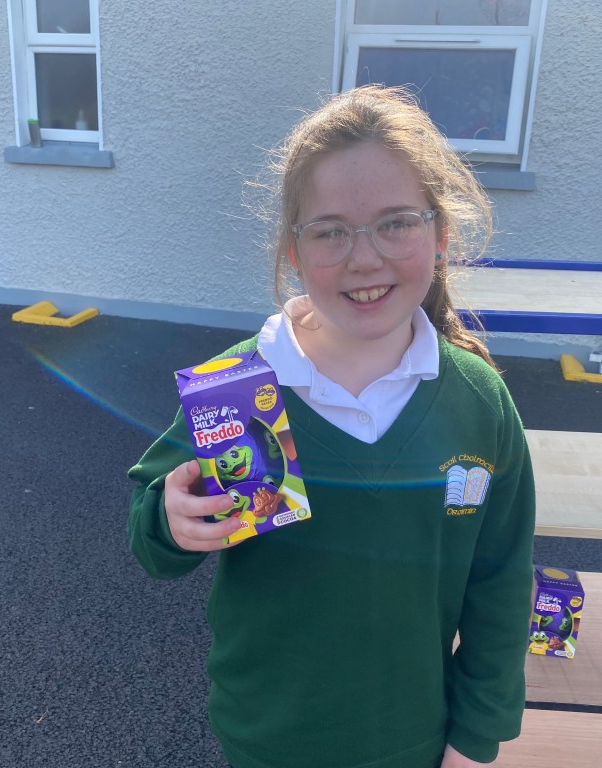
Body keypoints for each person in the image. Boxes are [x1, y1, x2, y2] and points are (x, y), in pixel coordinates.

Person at [127, 85, 536, 768]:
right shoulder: (238, 386)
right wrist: (171, 519)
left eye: (395, 223)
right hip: (267, 739)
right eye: (330, 231)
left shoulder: (478, 402)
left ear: (440, 235)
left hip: (416, 741)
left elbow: (501, 583)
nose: (364, 258)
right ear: (293, 249)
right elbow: (151, 535)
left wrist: (478, 738)